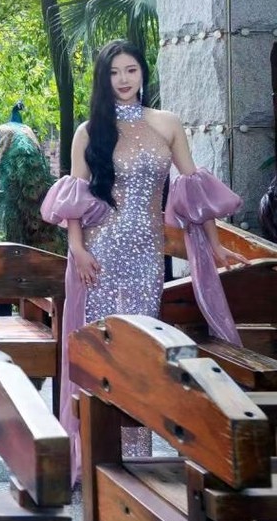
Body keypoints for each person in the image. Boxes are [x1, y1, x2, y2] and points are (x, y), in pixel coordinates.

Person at [42, 39, 244, 481]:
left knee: (139, 351)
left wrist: (214, 246)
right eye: (114, 72)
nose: (123, 79)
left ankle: (133, 459)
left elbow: (193, 191)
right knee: (100, 349)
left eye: (130, 70)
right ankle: (94, 455)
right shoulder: (89, 131)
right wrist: (77, 249)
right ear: (104, 79)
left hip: (146, 257)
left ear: (142, 73)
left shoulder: (166, 123)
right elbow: (76, 197)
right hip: (99, 254)